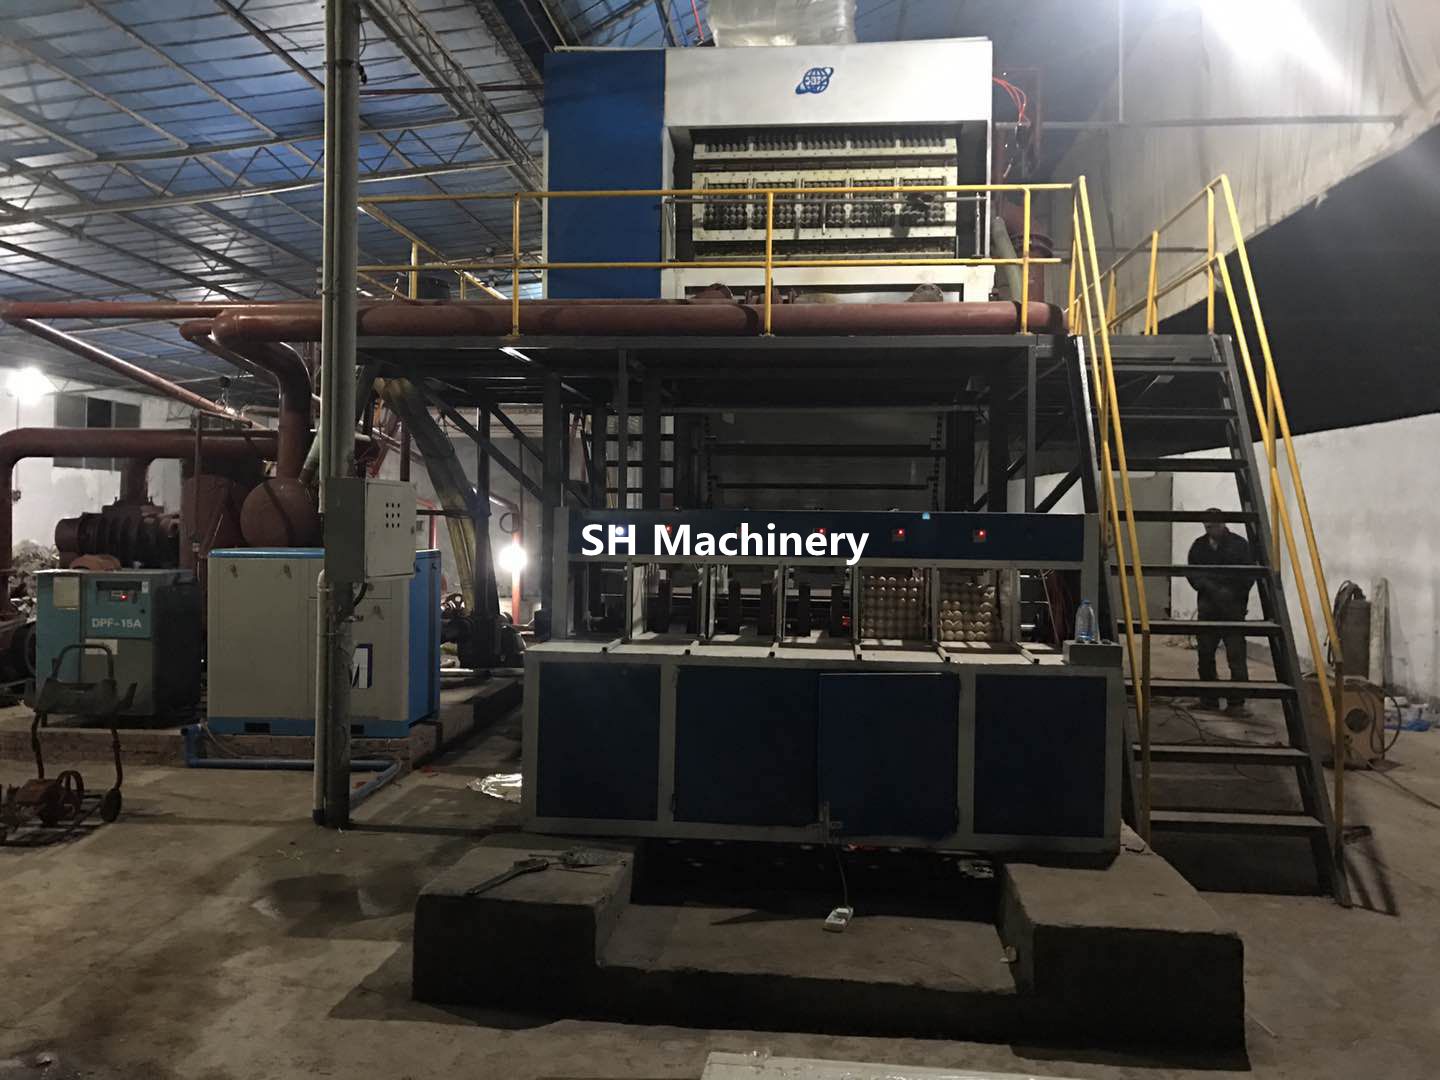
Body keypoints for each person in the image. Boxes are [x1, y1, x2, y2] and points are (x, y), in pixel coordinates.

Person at [1185, 508, 1254, 716]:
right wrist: (1209, 588)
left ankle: (1237, 703)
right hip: (1209, 607)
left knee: (1236, 655)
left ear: (1223, 524)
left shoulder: (1239, 546)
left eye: (1213, 526)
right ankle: (1209, 699)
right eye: (1207, 527)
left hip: (1232, 608)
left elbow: (1248, 576)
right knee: (1205, 654)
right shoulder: (1199, 546)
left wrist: (1229, 593)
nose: (1210, 530)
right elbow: (1192, 573)